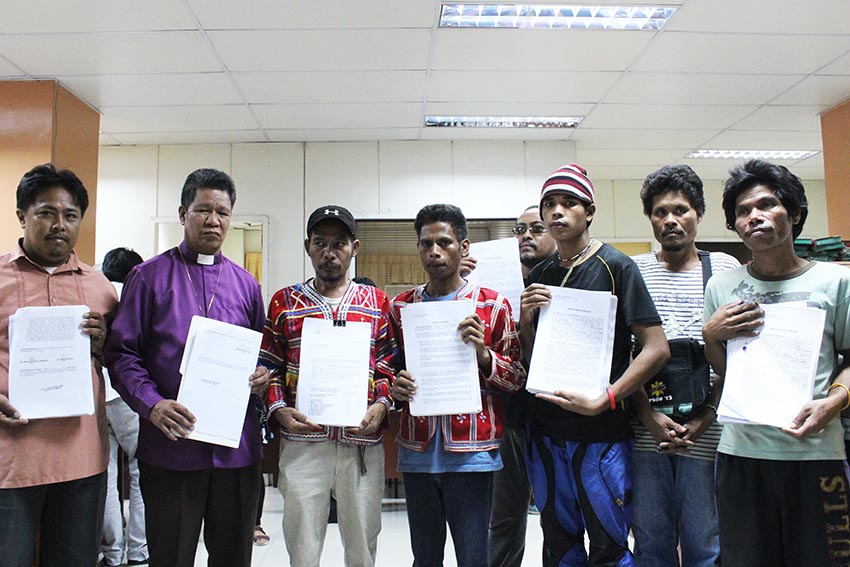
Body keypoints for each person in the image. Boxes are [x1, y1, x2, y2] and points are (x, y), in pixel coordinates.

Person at [105, 168, 270, 567]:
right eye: (203, 210)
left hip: (235, 454)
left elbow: (260, 354)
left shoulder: (246, 284)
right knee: (171, 557)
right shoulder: (148, 278)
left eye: (223, 212)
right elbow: (122, 354)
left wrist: (262, 376)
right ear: (183, 213)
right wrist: (152, 404)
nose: (214, 220)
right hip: (171, 449)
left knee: (233, 557)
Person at [519, 164, 669, 567]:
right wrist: (525, 322)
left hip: (600, 434)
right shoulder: (542, 273)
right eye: (548, 204)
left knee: (609, 543)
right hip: (547, 432)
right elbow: (534, 359)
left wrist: (607, 398)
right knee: (559, 545)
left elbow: (656, 348)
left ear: (589, 211)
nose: (556, 212)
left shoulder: (617, 267)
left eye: (569, 203)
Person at [702, 159, 850, 566]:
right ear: (734, 225)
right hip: (742, 455)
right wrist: (710, 335)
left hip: (815, 455)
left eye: (767, 205)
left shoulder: (835, 282)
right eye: (743, 212)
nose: (754, 217)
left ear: (795, 213)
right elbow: (723, 369)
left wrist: (834, 401)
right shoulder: (722, 286)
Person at [260, 205, 397, 567]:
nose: (329, 251)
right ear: (307, 246)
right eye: (320, 242)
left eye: (339, 243)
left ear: (355, 247)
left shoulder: (377, 303)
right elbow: (269, 366)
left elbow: (388, 367)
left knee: (362, 547)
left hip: (360, 445)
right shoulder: (285, 302)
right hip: (304, 442)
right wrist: (279, 409)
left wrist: (381, 405)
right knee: (303, 548)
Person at [390, 204, 525, 567]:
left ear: (464, 247)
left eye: (444, 242)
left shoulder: (493, 305)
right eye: (426, 244)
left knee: (473, 557)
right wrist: (394, 386)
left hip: (472, 454)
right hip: (418, 451)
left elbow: (517, 378)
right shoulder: (402, 307)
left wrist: (484, 356)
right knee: (425, 558)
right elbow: (386, 368)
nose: (434, 251)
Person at [0, 164, 118, 567]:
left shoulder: (99, 286)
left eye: (70, 216)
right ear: (22, 216)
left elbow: (119, 359)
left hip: (80, 461)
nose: (59, 225)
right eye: (46, 212)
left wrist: (103, 343)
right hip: (11, 463)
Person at [629, 165, 739, 567]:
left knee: (705, 545)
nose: (671, 220)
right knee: (651, 544)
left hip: (707, 435)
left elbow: (739, 357)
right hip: (646, 434)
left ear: (699, 214)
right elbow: (623, 356)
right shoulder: (632, 271)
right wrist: (648, 416)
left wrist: (706, 417)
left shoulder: (724, 270)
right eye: (660, 212)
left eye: (681, 210)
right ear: (651, 218)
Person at [484, 205, 556, 567]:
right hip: (509, 415)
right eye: (519, 229)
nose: (526, 235)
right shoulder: (492, 287)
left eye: (536, 228)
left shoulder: (567, 279)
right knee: (505, 515)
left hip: (557, 414)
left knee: (559, 515)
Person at [100, 247, 148, 567]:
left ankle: (112, 554)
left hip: (94, 397)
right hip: (127, 398)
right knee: (140, 473)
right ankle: (139, 552)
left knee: (105, 477)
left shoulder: (95, 295)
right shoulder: (134, 297)